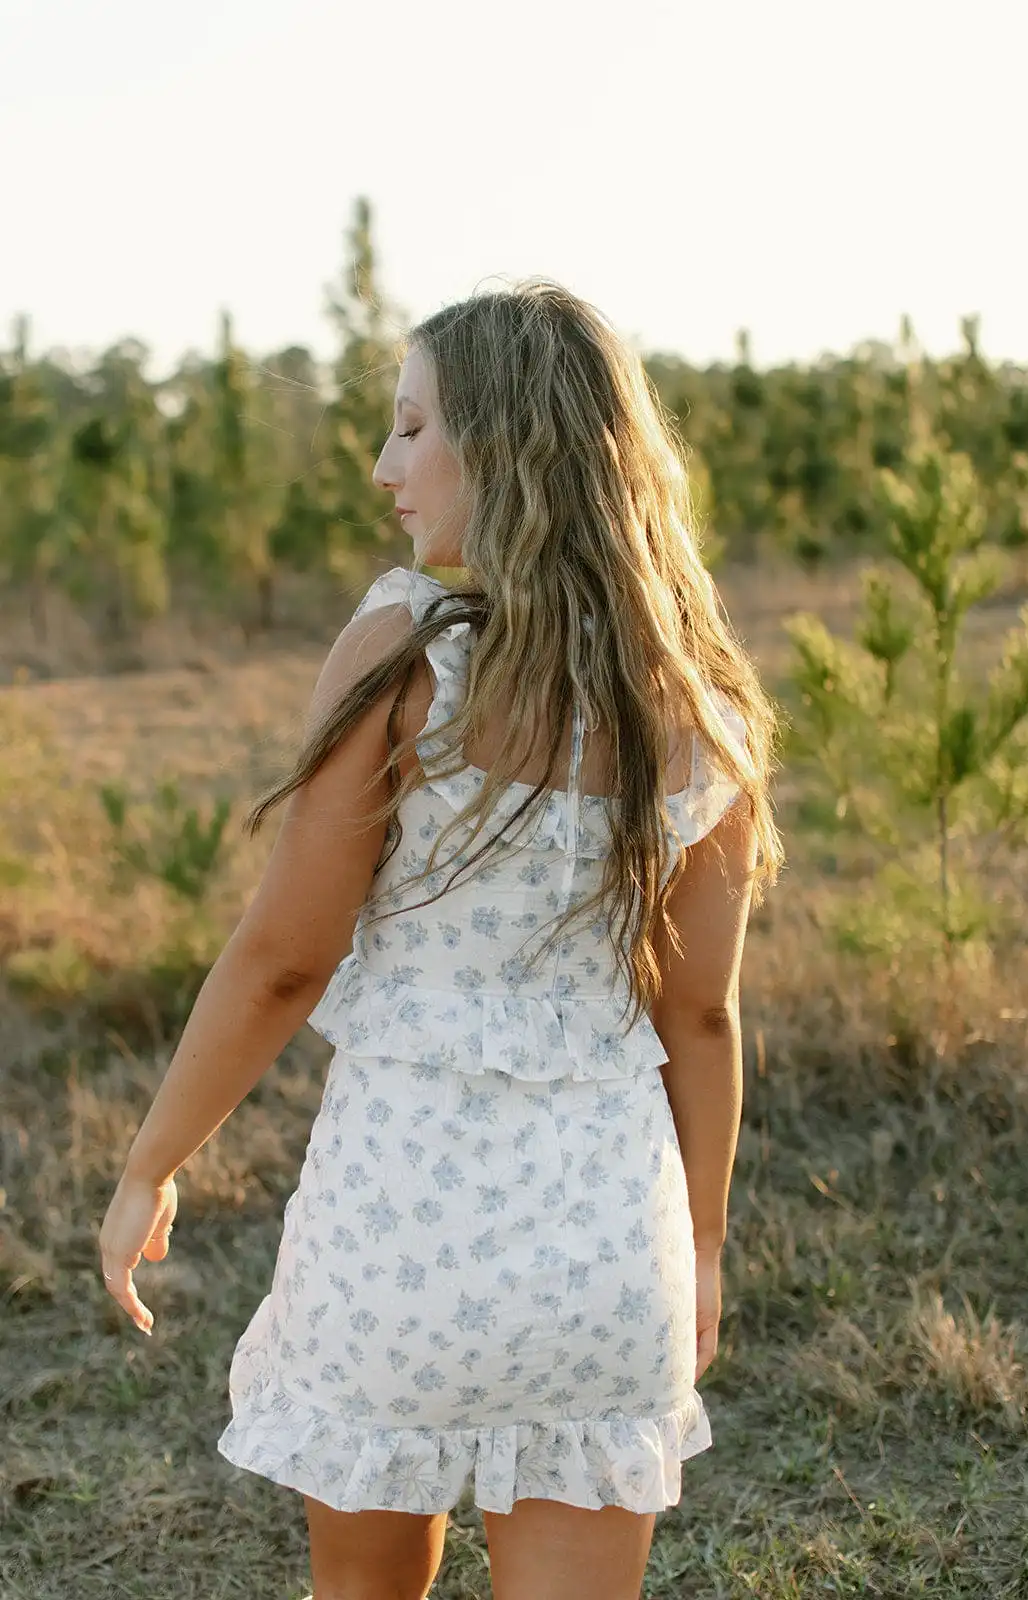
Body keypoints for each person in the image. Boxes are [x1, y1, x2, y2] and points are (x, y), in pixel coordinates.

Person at [98, 280, 783, 1600]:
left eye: (410, 429)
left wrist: (151, 1162)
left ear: (505, 445)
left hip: (401, 1233)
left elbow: (283, 959)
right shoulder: (697, 704)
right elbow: (700, 1017)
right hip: (601, 1244)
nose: (381, 466)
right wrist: (696, 1246)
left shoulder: (412, 648)